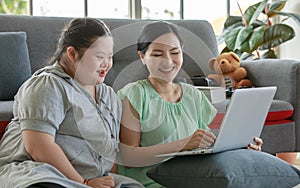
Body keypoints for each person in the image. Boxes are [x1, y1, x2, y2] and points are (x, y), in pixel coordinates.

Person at [117, 21, 263, 187]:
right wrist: (182, 145)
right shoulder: (134, 94)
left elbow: (204, 145)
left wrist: (241, 147)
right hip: (152, 182)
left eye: (175, 52)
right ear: (142, 57)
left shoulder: (193, 95)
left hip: (192, 178)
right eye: (158, 54)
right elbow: (129, 157)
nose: (168, 61)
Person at [0, 18, 143, 188]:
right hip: (38, 172)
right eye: (99, 57)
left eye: (110, 57)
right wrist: (84, 183)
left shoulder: (108, 96)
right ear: (72, 54)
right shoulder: (47, 85)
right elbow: (38, 147)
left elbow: (110, 153)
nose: (106, 64)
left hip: (90, 177)